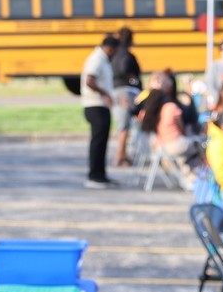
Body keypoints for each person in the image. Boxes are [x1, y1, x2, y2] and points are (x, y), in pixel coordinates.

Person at [138, 71, 203, 185]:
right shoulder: (170, 106)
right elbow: (182, 126)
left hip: (157, 145)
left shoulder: (149, 109)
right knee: (197, 145)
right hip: (170, 144)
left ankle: (188, 176)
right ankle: (192, 178)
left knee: (186, 149)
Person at [81, 34, 120, 188]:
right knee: (97, 142)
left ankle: (101, 174)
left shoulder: (103, 59)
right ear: (110, 48)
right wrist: (104, 93)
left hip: (101, 105)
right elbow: (90, 80)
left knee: (102, 142)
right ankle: (94, 176)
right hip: (95, 105)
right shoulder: (97, 59)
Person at [110, 27, 143, 168]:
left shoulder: (113, 55)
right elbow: (126, 70)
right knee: (124, 126)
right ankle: (120, 156)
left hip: (114, 90)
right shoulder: (127, 56)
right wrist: (133, 80)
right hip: (126, 91)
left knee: (122, 125)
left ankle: (122, 155)